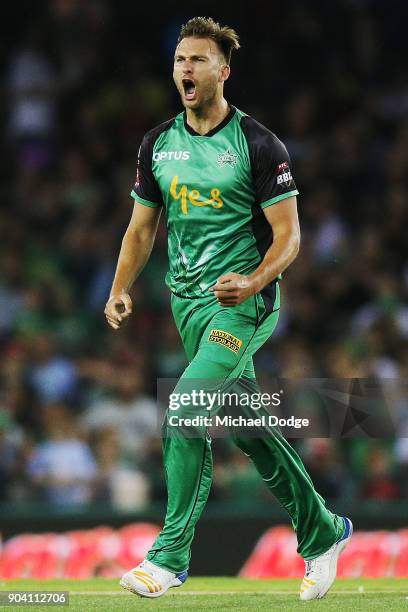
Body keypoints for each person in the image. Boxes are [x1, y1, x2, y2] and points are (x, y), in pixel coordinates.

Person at [104, 16, 352, 601]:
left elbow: (288, 237)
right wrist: (119, 287)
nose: (185, 69)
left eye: (198, 60)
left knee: (186, 407)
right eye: (179, 60)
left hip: (244, 303)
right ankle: (324, 532)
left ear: (223, 71)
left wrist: (255, 279)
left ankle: (168, 557)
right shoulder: (157, 144)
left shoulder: (259, 145)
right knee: (248, 427)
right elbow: (142, 231)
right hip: (187, 305)